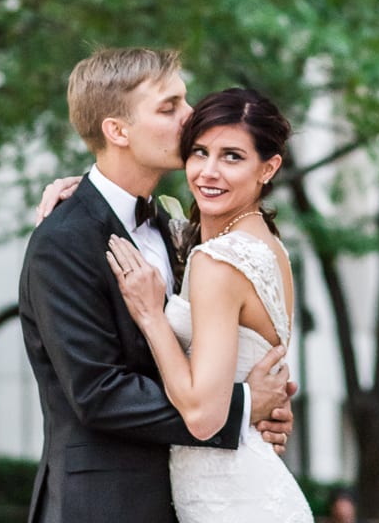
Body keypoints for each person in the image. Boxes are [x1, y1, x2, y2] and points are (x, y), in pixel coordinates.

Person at [18, 48, 295, 523]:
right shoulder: (63, 240)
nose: (191, 118)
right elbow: (98, 392)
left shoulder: (180, 225)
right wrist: (242, 408)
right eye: (170, 108)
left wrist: (257, 404)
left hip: (195, 496)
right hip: (107, 506)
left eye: (185, 101)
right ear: (117, 131)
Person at [107, 84, 313, 523]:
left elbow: (202, 416)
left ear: (268, 167)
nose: (208, 172)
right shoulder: (268, 247)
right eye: (199, 152)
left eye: (232, 157)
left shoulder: (218, 261)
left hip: (235, 501)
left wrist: (151, 315)